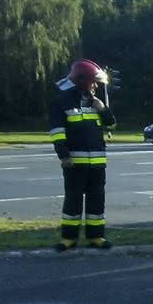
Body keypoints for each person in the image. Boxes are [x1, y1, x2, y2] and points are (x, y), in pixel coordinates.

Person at [48, 59, 116, 251]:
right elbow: (57, 132)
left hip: (97, 164)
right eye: (93, 82)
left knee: (97, 201)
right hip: (74, 163)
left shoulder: (95, 102)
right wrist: (64, 156)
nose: (95, 86)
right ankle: (69, 238)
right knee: (73, 200)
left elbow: (111, 125)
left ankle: (96, 237)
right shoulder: (61, 102)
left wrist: (103, 109)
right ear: (83, 81)